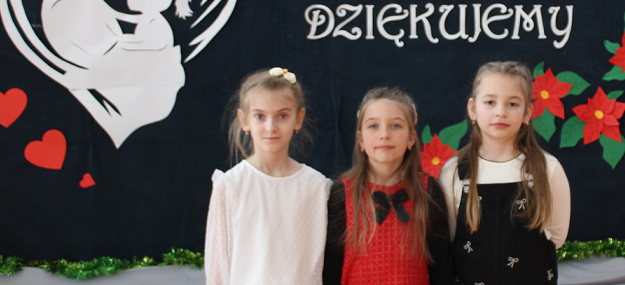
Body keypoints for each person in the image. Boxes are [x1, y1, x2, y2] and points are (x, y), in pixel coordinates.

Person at [439, 62, 571, 285]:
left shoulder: (548, 169)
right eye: (490, 102)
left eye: (512, 104)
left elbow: (556, 236)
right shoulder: (454, 172)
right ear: (472, 109)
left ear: (527, 112)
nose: (500, 112)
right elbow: (450, 236)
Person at [205, 68, 331, 285]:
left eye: (282, 116)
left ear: (298, 118)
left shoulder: (318, 187)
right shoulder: (231, 185)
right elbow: (218, 268)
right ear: (244, 120)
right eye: (260, 116)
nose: (270, 127)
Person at [324, 88, 450, 285]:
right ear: (360, 139)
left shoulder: (428, 190)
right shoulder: (343, 193)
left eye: (395, 125)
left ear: (411, 138)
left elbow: (442, 268)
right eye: (373, 126)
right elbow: (331, 269)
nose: (384, 134)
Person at [123, 0, 194, 51]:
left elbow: (153, 45)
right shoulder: (149, 17)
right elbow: (130, 19)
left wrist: (127, 44)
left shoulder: (155, 21)